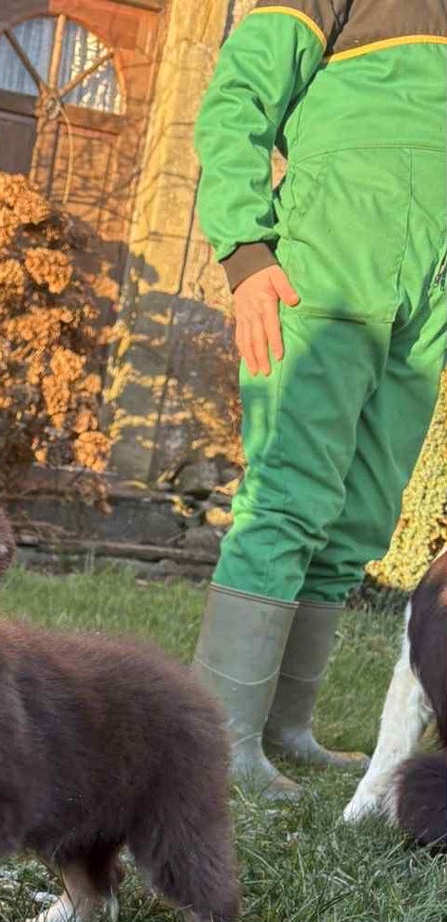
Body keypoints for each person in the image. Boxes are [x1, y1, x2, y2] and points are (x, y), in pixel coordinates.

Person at [190, 0, 447, 798]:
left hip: (430, 296)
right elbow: (241, 95)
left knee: (361, 512)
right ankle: (215, 741)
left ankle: (284, 728)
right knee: (288, 500)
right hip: (325, 270)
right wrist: (243, 246)